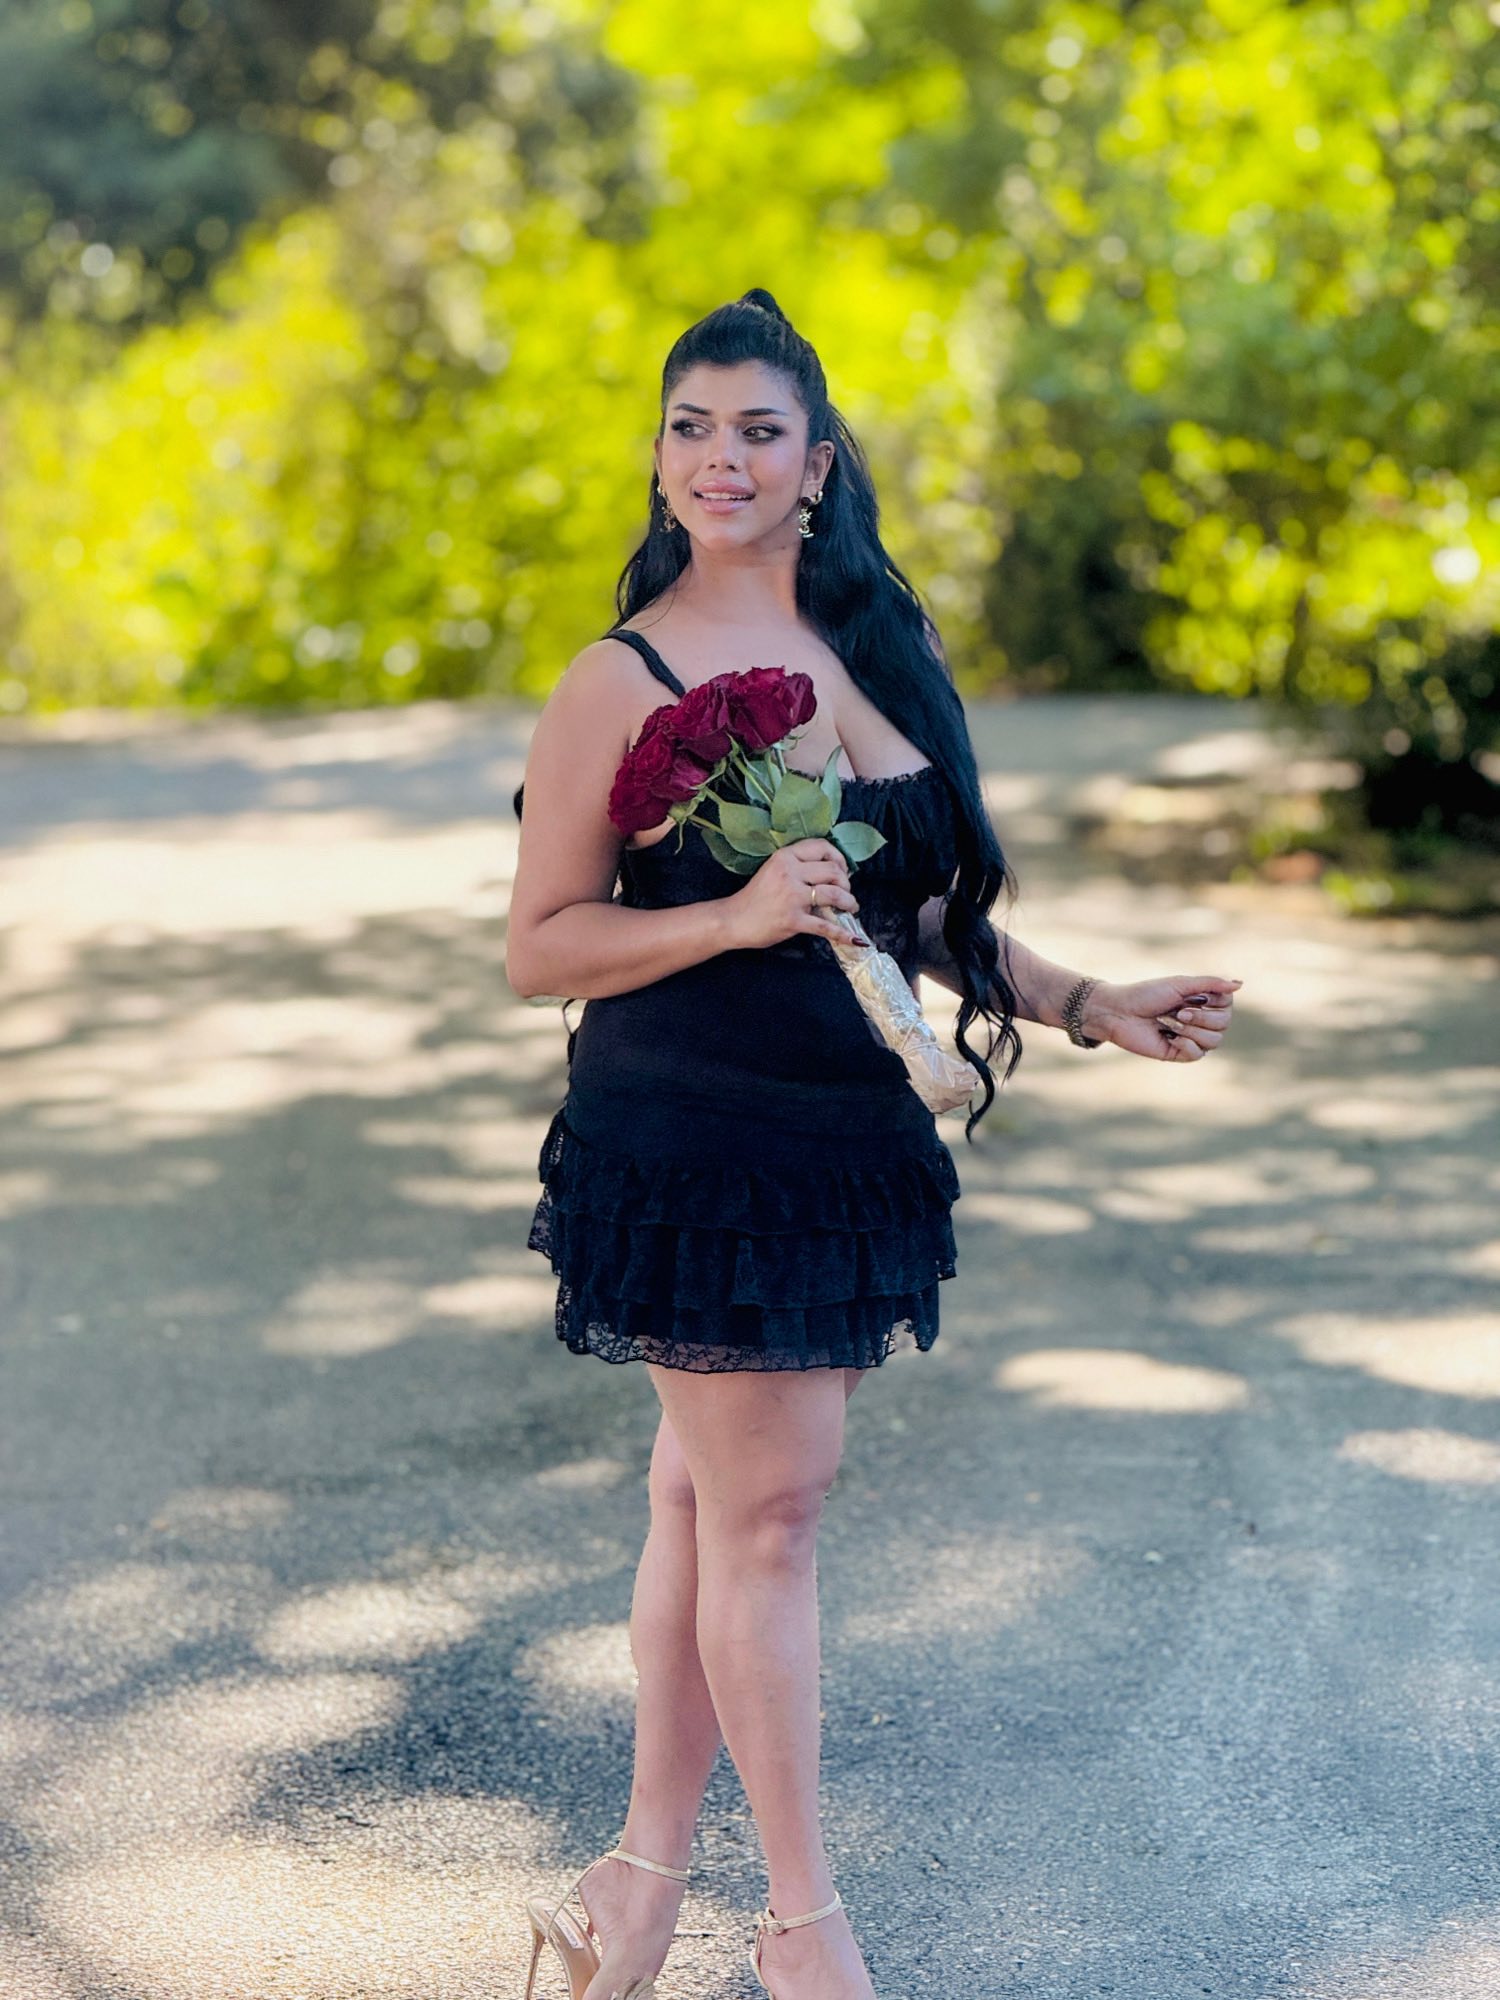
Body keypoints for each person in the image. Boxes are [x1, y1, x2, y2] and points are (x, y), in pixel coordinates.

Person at [506, 289, 1243, 2000]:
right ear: (659, 458)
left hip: (846, 1142)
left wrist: (1084, 1000)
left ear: (819, 464)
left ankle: (636, 1892)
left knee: (708, 1500)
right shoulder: (617, 681)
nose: (723, 459)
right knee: (769, 1517)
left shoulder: (881, 643)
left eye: (759, 431)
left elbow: (912, 913)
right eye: (692, 428)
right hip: (691, 1146)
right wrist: (733, 912)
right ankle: (804, 1936)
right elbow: (543, 947)